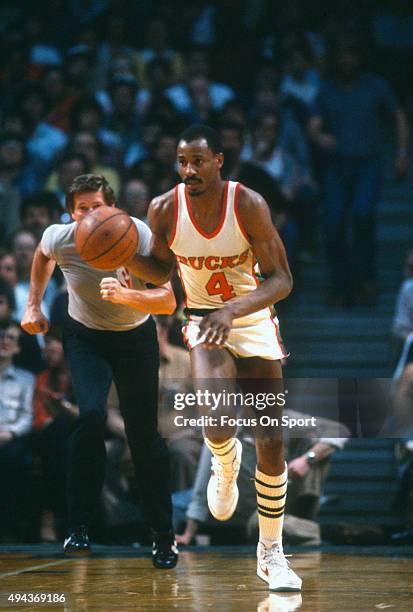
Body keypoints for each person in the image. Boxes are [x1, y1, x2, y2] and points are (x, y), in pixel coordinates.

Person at [125, 125, 302, 592]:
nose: (189, 171)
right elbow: (161, 270)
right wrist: (122, 254)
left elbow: (282, 279)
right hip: (204, 320)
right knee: (218, 419)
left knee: (272, 441)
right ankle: (224, 462)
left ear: (219, 160)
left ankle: (271, 554)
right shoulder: (165, 208)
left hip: (251, 317)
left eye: (198, 161)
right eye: (182, 162)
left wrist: (234, 310)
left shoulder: (248, 204)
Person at [21, 173, 179, 569]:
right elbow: (41, 256)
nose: (90, 215)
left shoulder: (135, 234)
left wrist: (128, 293)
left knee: (142, 436)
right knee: (89, 416)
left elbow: (167, 298)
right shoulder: (60, 237)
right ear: (71, 212)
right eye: (82, 209)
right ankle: (79, 527)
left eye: (98, 207)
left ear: (114, 209)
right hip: (85, 337)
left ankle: (163, 535)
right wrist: (33, 305)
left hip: (134, 337)